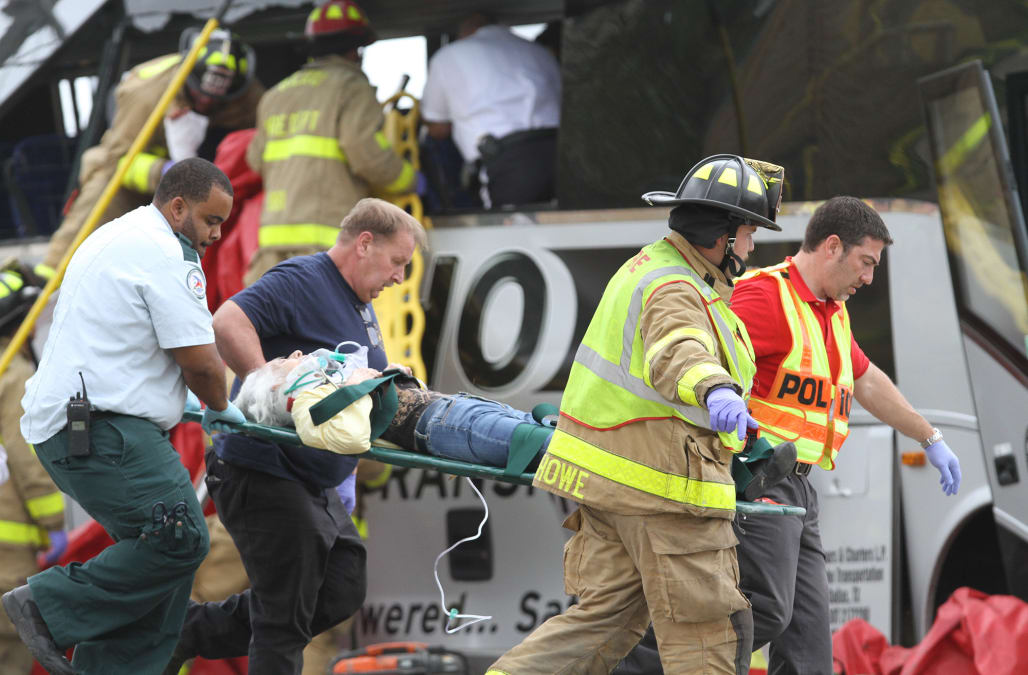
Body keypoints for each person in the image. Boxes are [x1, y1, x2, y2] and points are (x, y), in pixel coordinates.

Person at [484, 154, 785, 674]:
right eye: (748, 232)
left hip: (612, 488)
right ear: (721, 234)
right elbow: (678, 350)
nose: (752, 246)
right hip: (665, 496)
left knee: (602, 624)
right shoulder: (677, 287)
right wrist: (715, 390)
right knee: (707, 636)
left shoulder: (651, 267)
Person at [165, 197, 426, 675]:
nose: (399, 279)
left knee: (342, 587)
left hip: (315, 483)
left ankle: (183, 633)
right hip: (267, 471)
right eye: (397, 263)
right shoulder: (304, 280)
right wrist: (265, 381)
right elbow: (226, 322)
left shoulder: (358, 304)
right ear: (364, 244)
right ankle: (180, 633)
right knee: (284, 621)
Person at [4, 158, 243, 675]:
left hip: (79, 426)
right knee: (181, 537)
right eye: (211, 220)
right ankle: (46, 604)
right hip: (105, 428)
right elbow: (202, 364)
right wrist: (226, 414)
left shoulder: (118, 234)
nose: (217, 235)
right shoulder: (165, 253)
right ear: (178, 207)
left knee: (162, 570)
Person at [727, 196, 961, 674]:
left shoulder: (830, 311)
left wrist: (929, 437)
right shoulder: (764, 295)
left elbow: (868, 380)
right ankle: (643, 661)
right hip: (758, 480)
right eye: (866, 262)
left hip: (798, 489)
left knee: (810, 644)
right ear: (833, 246)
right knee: (765, 613)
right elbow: (706, 369)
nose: (870, 278)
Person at [40, 29, 262, 274]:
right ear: (187, 76)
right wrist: (168, 173)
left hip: (206, 175)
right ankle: (55, 274)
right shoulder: (146, 94)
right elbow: (117, 161)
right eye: (200, 95)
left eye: (218, 101)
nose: (207, 104)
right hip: (143, 171)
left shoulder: (245, 93)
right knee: (103, 183)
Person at [245, 0, 417, 284]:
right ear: (355, 50)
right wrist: (410, 181)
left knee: (270, 325)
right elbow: (367, 155)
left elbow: (255, 160)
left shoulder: (275, 95)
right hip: (327, 245)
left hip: (272, 246)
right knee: (324, 325)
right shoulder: (352, 89)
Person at [231, 353, 555, 471]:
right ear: (275, 387)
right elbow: (353, 439)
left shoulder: (323, 391)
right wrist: (356, 384)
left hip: (450, 412)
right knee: (550, 446)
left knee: (549, 433)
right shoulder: (307, 403)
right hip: (444, 424)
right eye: (281, 361)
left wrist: (395, 378)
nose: (297, 353)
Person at [0, 264, 68, 675]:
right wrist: (55, 522)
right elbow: (28, 460)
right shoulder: (15, 375)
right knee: (11, 648)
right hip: (8, 553)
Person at [421, 12, 561, 208]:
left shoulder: (449, 55)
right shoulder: (538, 51)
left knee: (509, 233)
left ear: (467, 29)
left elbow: (438, 129)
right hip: (562, 156)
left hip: (509, 163)